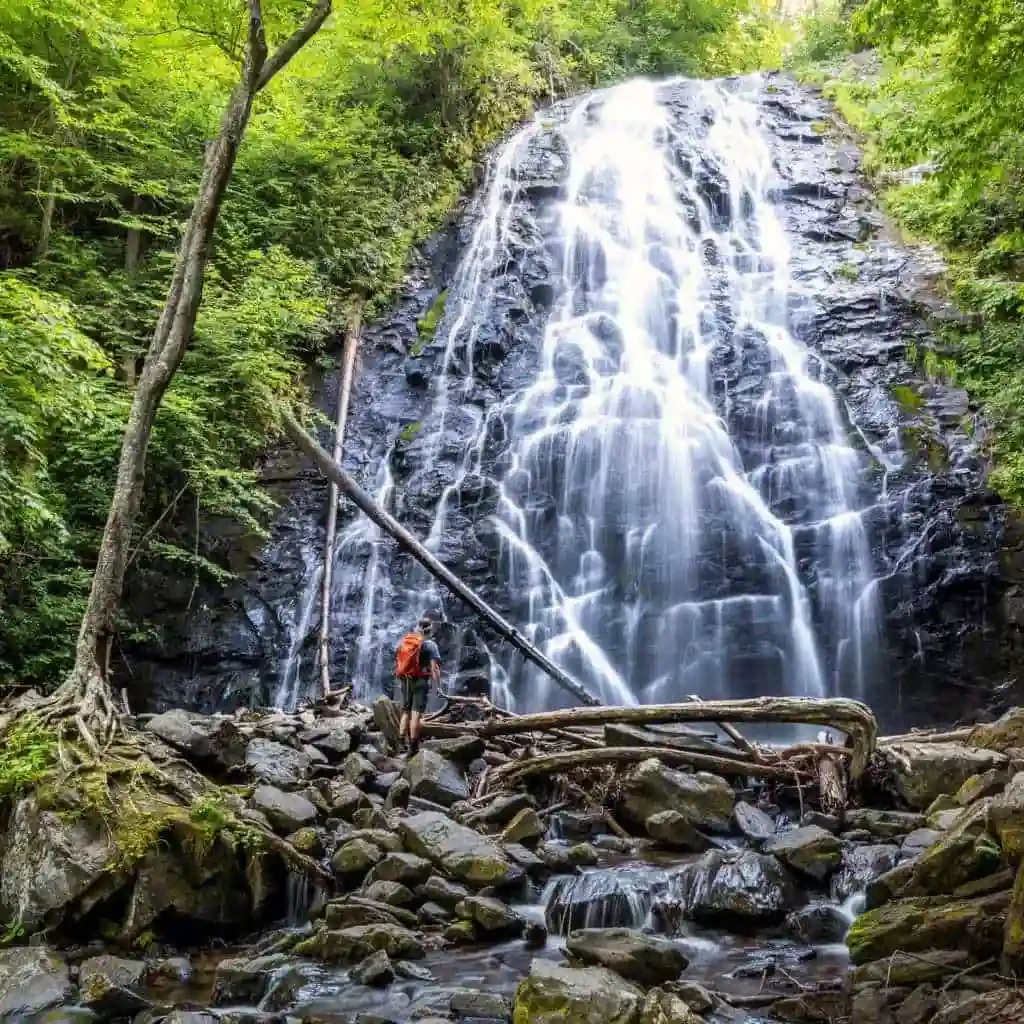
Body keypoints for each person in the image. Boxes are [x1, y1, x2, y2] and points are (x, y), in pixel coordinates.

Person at [395, 614, 441, 756]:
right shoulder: (431, 645)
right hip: (420, 681)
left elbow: (399, 661)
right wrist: (437, 686)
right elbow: (434, 668)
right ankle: (413, 746)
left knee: (405, 711)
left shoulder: (407, 641)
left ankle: (400, 742)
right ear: (430, 629)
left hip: (406, 679)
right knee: (416, 714)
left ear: (419, 627)